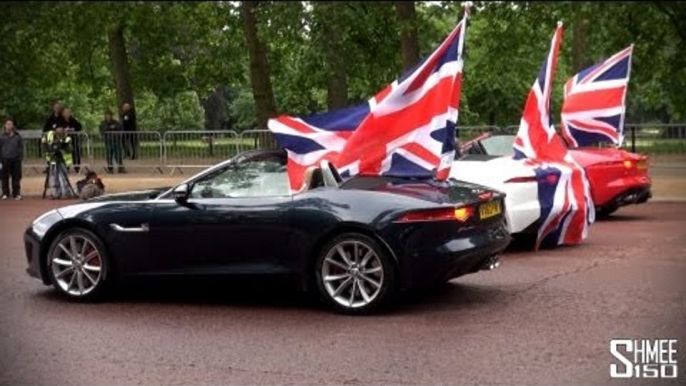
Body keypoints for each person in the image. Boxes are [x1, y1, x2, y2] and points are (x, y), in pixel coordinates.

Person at [45, 127, 74, 199]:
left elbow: (70, 149)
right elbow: (49, 149)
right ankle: (56, 193)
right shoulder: (52, 139)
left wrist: (63, 148)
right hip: (54, 159)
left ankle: (67, 192)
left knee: (64, 177)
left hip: (62, 160)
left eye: (60, 133)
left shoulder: (66, 139)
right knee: (54, 177)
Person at [0, 119, 23, 200]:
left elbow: (20, 147)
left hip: (16, 159)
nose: (9, 126)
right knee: (4, 177)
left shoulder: (17, 136)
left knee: (16, 177)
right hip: (5, 159)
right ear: (5, 125)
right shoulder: (2, 136)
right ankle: (5, 193)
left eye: (11, 124)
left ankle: (16, 193)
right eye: (8, 124)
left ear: (13, 126)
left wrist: (20, 157)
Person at [62, 108, 84, 173]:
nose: (67, 114)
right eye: (65, 113)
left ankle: (77, 167)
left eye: (68, 113)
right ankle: (66, 167)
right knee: (66, 154)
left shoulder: (73, 120)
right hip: (64, 140)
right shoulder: (61, 121)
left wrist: (73, 129)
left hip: (74, 139)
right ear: (63, 114)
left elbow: (79, 126)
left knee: (76, 153)